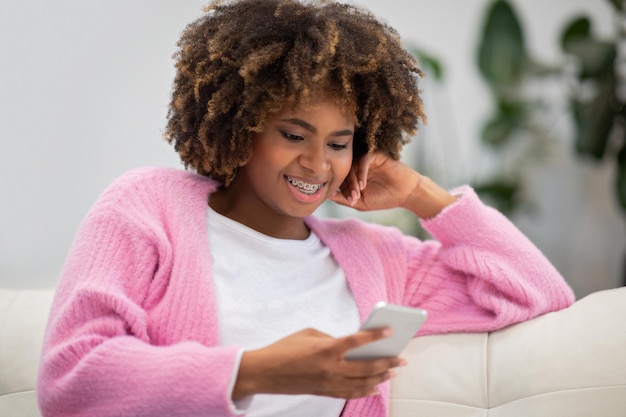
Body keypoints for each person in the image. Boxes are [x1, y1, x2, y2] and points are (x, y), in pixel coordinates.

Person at [37, 0, 575, 416]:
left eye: (339, 143)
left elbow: (538, 291)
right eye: (294, 134)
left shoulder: (375, 259)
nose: (318, 163)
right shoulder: (148, 207)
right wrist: (257, 371)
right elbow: (71, 378)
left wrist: (420, 194)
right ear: (242, 125)